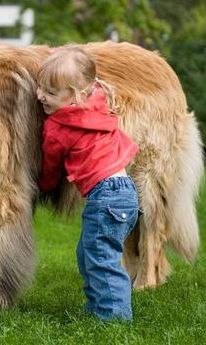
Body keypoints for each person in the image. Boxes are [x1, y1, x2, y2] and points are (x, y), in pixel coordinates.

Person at [36, 45, 140, 321]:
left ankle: (114, 317)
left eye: (50, 93)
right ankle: (99, 304)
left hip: (105, 198)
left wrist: (43, 187)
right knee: (89, 253)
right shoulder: (97, 102)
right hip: (125, 193)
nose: (40, 96)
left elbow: (50, 167)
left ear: (75, 96)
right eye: (39, 87)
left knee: (101, 259)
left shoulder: (57, 127)